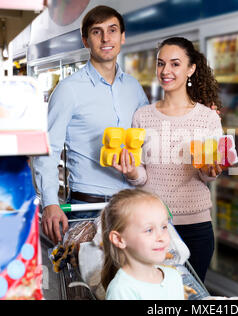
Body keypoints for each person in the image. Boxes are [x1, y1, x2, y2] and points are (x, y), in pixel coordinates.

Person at [31, 5, 149, 244]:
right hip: (86, 207)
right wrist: (51, 202)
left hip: (130, 205)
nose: (106, 38)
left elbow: (150, 133)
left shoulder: (133, 88)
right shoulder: (68, 90)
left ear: (122, 37)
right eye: (97, 32)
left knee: (130, 279)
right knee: (86, 280)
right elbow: (47, 151)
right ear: (85, 40)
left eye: (112, 30)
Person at [112, 37, 223, 282]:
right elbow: (142, 176)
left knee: (192, 295)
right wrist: (131, 172)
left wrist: (211, 171)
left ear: (191, 69)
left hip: (196, 226)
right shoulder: (142, 116)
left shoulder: (208, 118)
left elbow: (208, 175)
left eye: (175, 64)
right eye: (161, 64)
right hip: (151, 226)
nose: (166, 71)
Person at [101, 188, 184, 300]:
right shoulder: (122, 290)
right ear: (119, 239)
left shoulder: (174, 276)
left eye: (164, 227)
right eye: (149, 230)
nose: (161, 237)